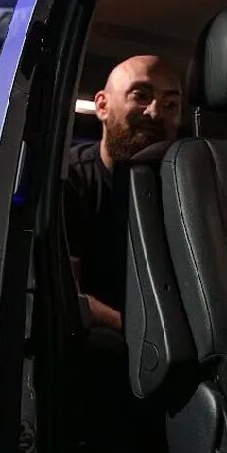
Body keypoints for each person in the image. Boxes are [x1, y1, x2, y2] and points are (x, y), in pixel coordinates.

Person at [64, 54, 183, 331]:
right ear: (102, 106)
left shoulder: (186, 186)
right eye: (141, 95)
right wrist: (142, 332)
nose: (156, 113)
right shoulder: (73, 179)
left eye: (171, 104)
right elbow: (71, 295)